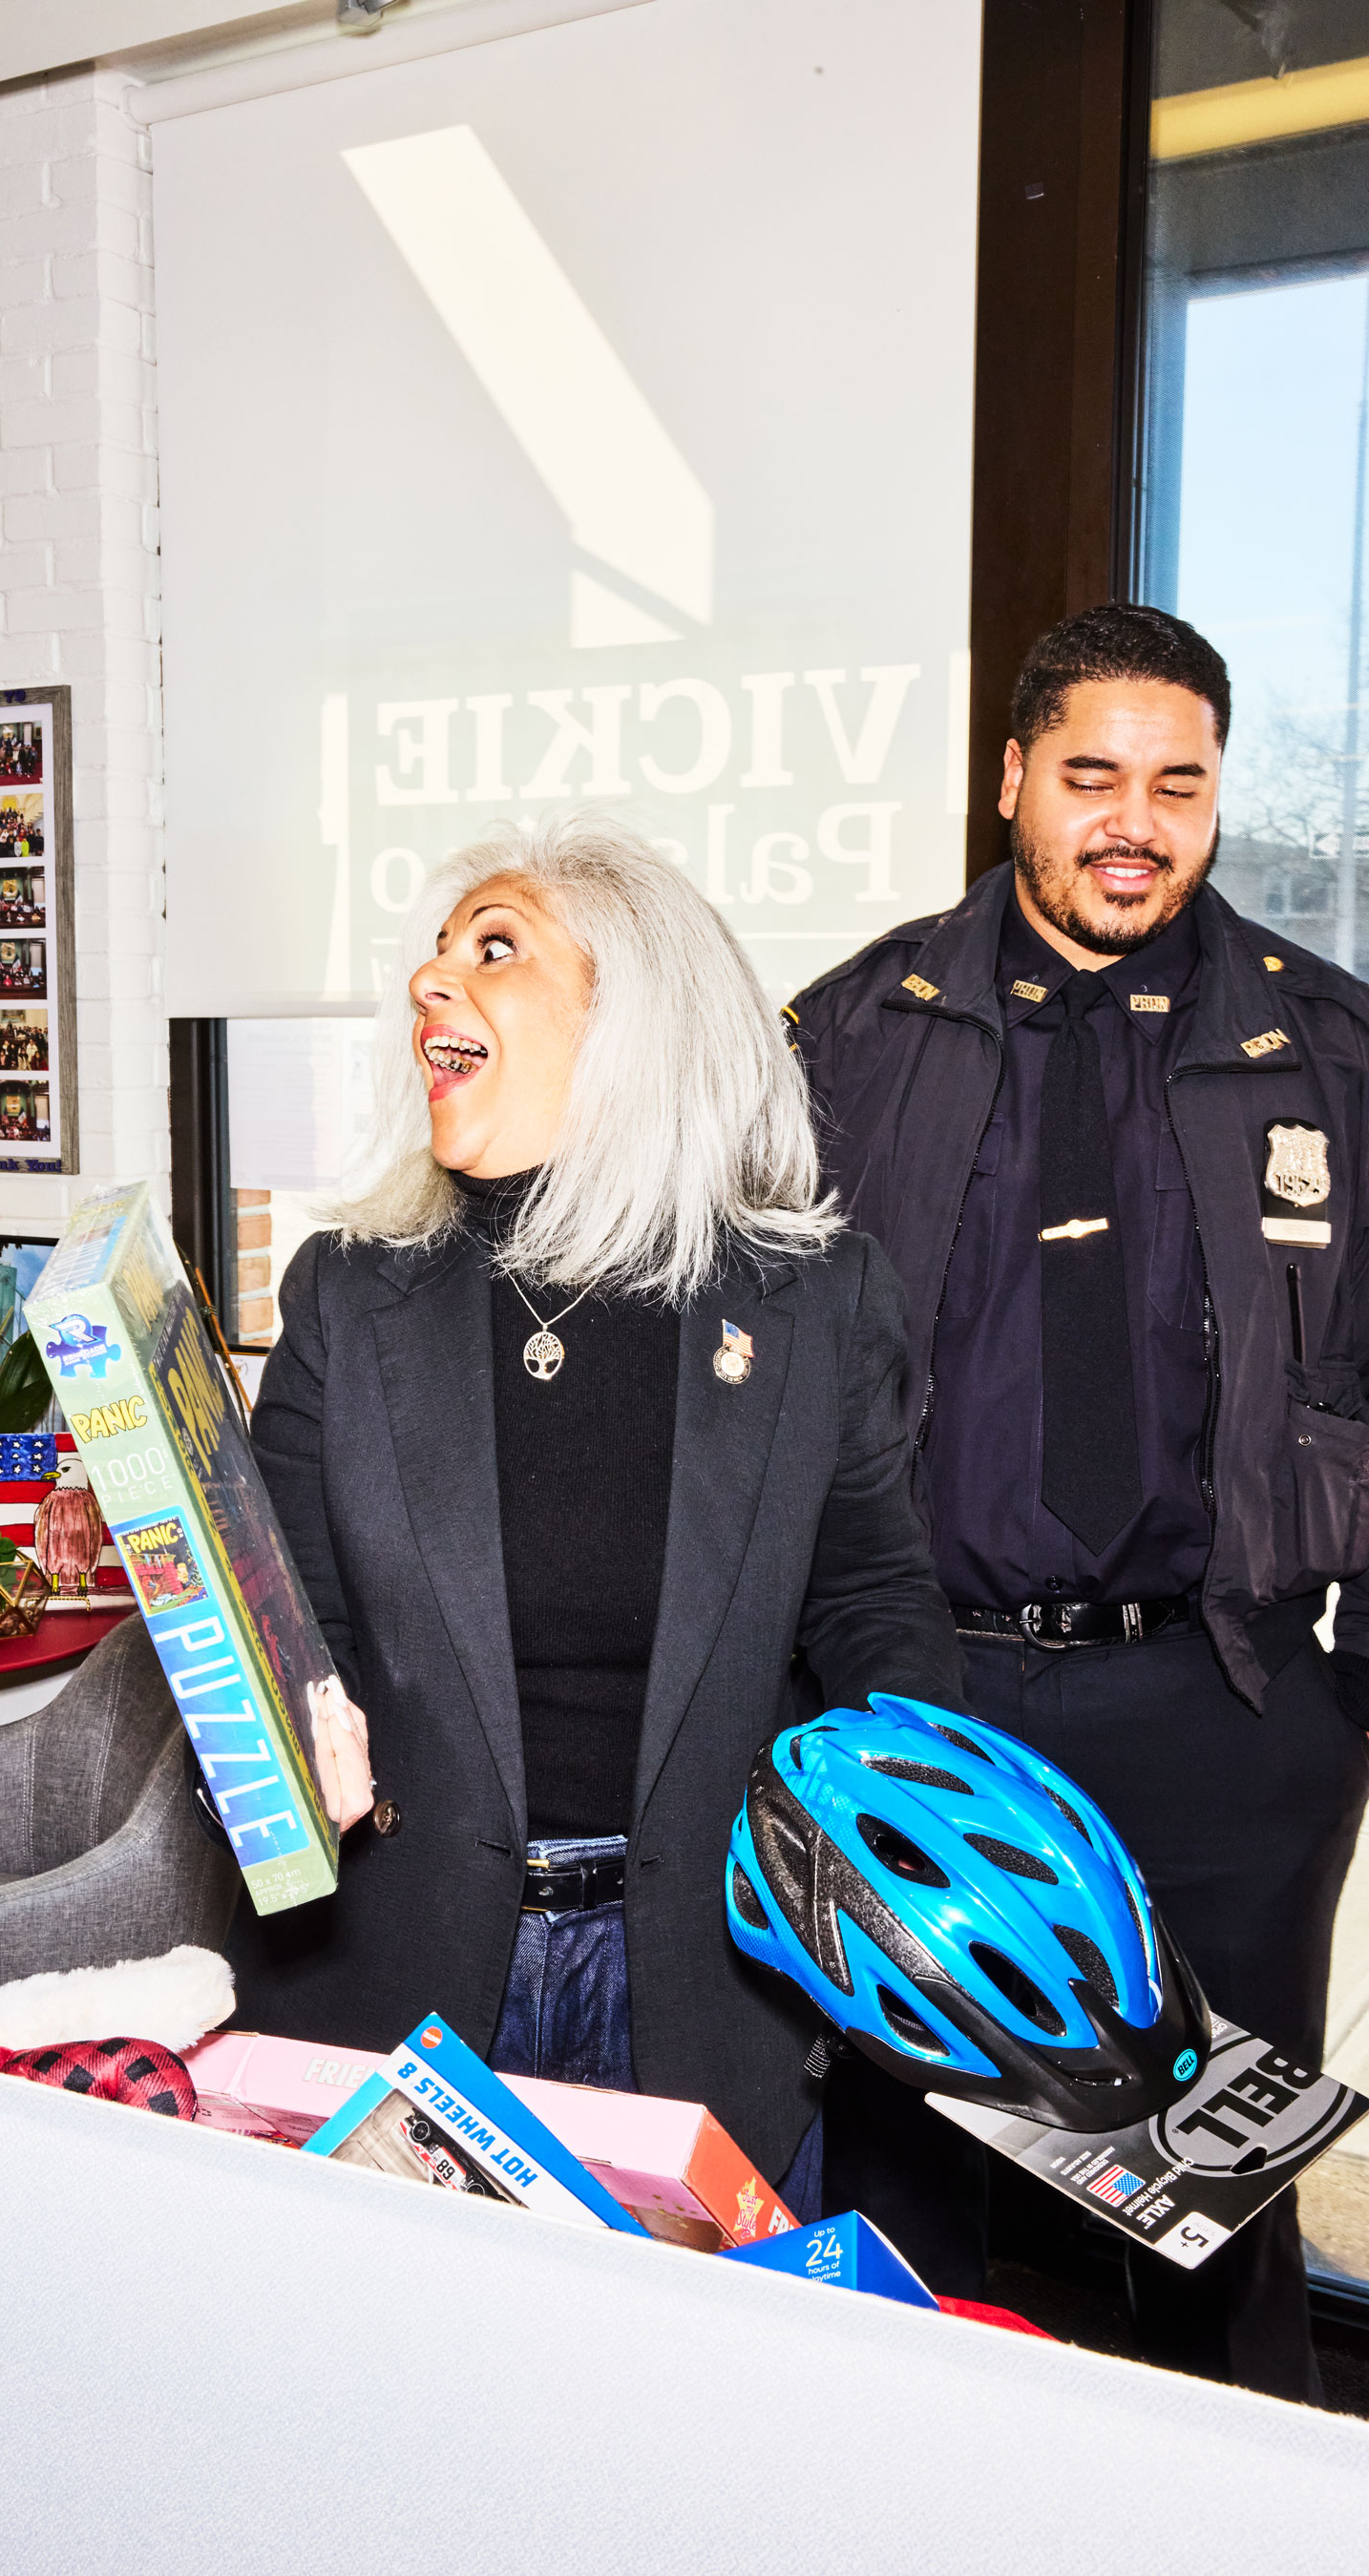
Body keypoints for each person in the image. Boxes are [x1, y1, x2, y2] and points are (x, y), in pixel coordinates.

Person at [786, 601, 1369, 2401]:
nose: (1136, 819)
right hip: (919, 1699)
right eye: (1096, 774)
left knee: (1207, 2213)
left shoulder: (1334, 1052)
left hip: (1226, 1707)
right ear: (1015, 777)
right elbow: (757, 1371)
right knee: (906, 2188)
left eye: (1178, 783)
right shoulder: (848, 1036)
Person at [232, 810, 963, 2198]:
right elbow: (288, 1605)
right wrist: (283, 1730)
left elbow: (873, 1595)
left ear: (632, 1022)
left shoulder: (811, 1300)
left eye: (493, 950)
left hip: (719, 1985)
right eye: (435, 952)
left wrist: (904, 1806)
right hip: (402, 1978)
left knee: (694, 2402)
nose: (430, 980)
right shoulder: (347, 1293)